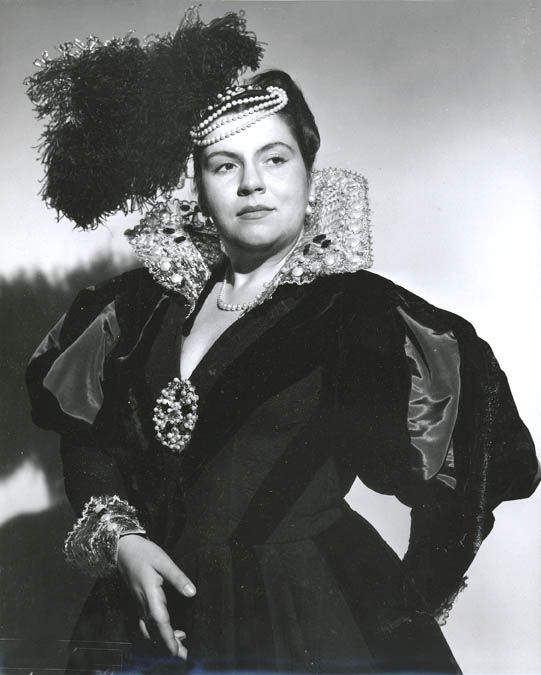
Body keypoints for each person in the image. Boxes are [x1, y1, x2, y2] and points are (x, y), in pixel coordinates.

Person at [25, 9, 540, 675]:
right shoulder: (140, 305)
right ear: (198, 185)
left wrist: (403, 602)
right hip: (144, 610)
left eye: (274, 158)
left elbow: (469, 454)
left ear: (308, 172)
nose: (252, 184)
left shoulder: (357, 313)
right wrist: (122, 541)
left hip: (303, 615)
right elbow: (87, 436)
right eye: (224, 165)